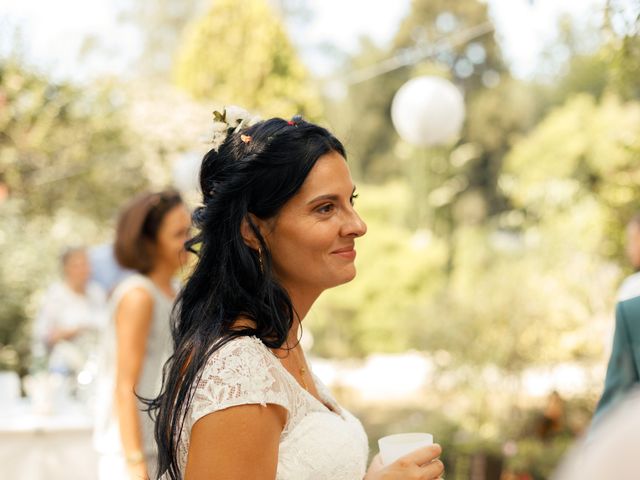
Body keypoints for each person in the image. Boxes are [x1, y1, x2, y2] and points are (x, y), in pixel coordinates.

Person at [149, 111, 445, 480]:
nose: (357, 225)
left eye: (351, 201)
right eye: (325, 208)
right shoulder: (239, 370)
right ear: (252, 230)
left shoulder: (278, 342)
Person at [94, 190, 191, 480]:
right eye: (178, 234)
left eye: (190, 231)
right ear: (149, 240)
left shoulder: (178, 292)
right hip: (134, 452)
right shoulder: (138, 296)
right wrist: (135, 463)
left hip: (165, 446)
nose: (189, 242)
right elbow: (123, 385)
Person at [591, 214, 640, 426]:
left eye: (632, 240)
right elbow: (616, 399)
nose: (629, 248)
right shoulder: (631, 310)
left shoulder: (631, 289)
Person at [32, 246, 107, 378]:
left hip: (97, 366)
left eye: (86, 264)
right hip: (63, 370)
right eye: (78, 265)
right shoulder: (56, 295)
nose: (85, 269)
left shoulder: (97, 293)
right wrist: (77, 329)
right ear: (66, 268)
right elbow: (44, 336)